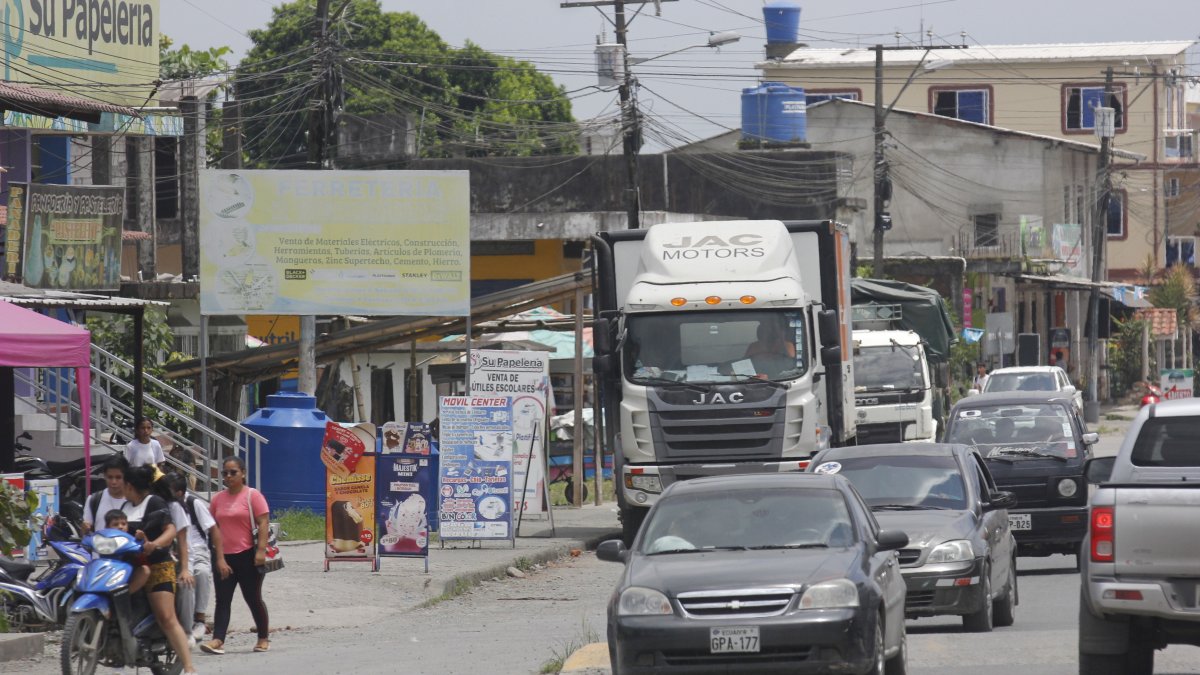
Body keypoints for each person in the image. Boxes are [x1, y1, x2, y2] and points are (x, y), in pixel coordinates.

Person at [122, 465, 198, 675]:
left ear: (129, 485)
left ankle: (189, 667)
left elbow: (171, 530)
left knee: (166, 617)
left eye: (121, 481)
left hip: (158, 566)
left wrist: (154, 544)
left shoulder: (154, 502)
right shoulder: (126, 506)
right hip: (130, 567)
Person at [201, 457, 271, 656]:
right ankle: (218, 639)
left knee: (253, 598)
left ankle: (263, 637)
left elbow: (263, 523)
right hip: (224, 556)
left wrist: (260, 551)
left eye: (233, 472)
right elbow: (213, 528)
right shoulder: (217, 499)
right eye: (225, 473)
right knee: (222, 599)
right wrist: (219, 557)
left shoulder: (252, 496)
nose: (229, 477)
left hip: (248, 555)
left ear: (243, 473)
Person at [168, 473, 224, 642]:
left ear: (179, 492)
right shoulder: (165, 504)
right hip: (173, 551)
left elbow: (214, 529)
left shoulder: (194, 504)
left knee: (200, 573)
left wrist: (220, 557)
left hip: (198, 550)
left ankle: (199, 619)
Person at [152, 474, 192, 645]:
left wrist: (184, 569)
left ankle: (187, 631)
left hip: (171, 559)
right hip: (147, 558)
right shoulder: (143, 504)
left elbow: (182, 542)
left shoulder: (174, 507)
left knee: (185, 585)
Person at [104, 509, 150, 595]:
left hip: (128, 575)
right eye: (115, 524)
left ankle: (124, 595)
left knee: (145, 570)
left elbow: (146, 549)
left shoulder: (133, 540)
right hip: (108, 573)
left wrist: (141, 538)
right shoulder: (102, 540)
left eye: (123, 524)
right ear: (107, 527)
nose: (120, 527)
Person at [83, 454, 129, 534]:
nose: (113, 482)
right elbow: (85, 533)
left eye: (118, 477)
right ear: (104, 476)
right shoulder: (94, 499)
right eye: (110, 477)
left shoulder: (134, 501)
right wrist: (84, 528)